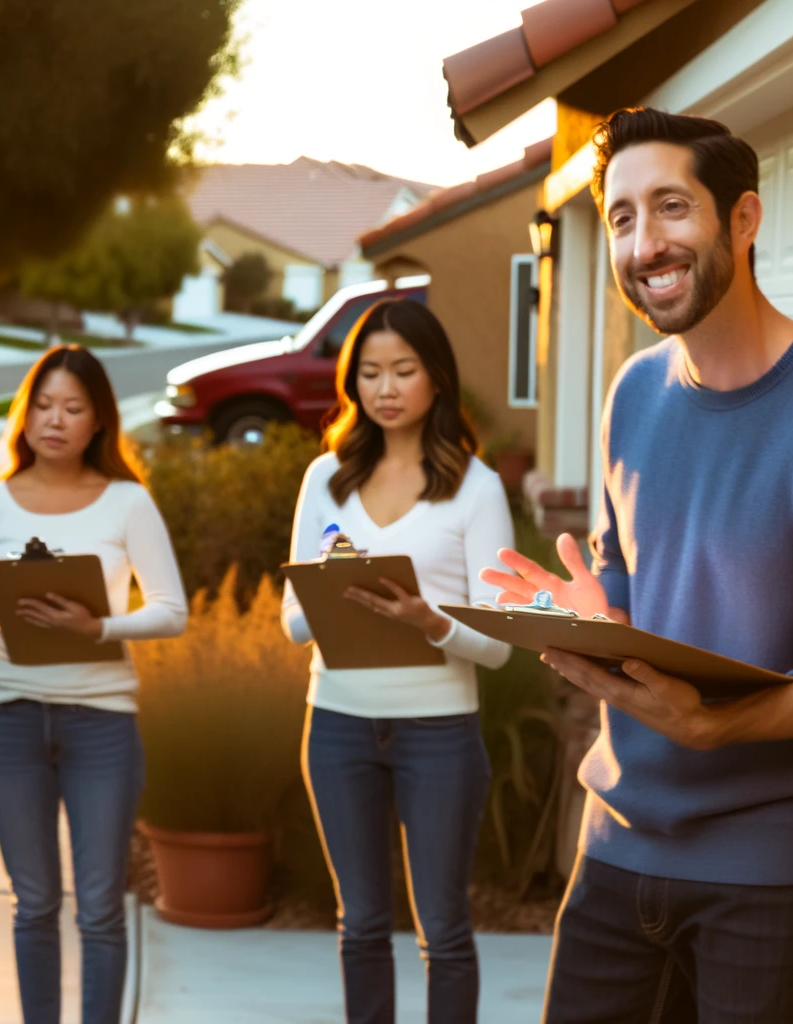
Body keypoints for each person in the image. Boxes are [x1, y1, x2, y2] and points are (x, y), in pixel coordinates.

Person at [481, 109, 793, 1023]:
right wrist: (597, 622)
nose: (644, 243)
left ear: (743, 220)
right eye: (621, 219)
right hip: (617, 844)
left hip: (777, 875)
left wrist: (720, 729)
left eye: (670, 208)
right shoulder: (635, 393)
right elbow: (629, 571)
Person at [280, 299, 513, 1024]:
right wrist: (331, 597)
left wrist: (428, 621)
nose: (385, 389)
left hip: (438, 733)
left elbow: (501, 642)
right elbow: (291, 621)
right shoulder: (326, 479)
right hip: (339, 726)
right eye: (370, 373)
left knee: (442, 931)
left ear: (436, 378)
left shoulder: (477, 488)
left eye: (403, 371)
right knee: (360, 928)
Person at [0, 345, 187, 1024]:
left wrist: (96, 627)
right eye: (44, 405)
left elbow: (171, 611)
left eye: (74, 408)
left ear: (98, 421)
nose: (56, 420)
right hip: (11, 720)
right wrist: (8, 592)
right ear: (25, 415)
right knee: (34, 904)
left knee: (103, 906)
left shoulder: (127, 502)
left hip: (101, 723)